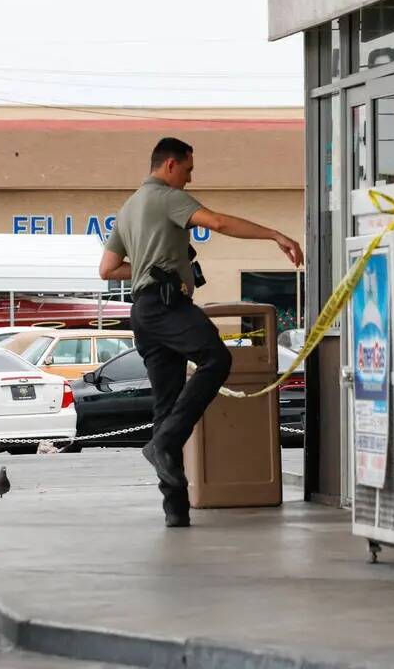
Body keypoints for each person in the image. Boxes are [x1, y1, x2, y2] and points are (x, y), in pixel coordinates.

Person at [99, 137, 303, 527]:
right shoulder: (165, 197)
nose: (190, 180)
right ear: (171, 164)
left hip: (142, 311)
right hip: (167, 306)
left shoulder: (128, 209)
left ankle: (175, 510)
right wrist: (276, 235)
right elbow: (219, 222)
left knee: (166, 403)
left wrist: (147, 268)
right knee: (216, 358)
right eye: (189, 170)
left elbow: (108, 269)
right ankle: (166, 441)